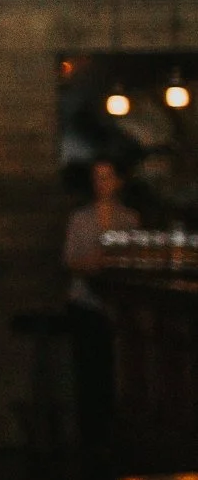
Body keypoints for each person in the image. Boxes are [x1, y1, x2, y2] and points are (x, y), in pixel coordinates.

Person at [65, 157, 141, 449]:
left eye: (107, 177)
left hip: (117, 307)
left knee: (115, 371)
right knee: (88, 370)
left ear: (118, 182)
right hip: (85, 303)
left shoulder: (129, 219)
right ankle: (89, 438)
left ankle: (112, 436)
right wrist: (93, 263)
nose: (102, 184)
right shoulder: (80, 219)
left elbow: (132, 258)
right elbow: (70, 260)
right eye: (97, 178)